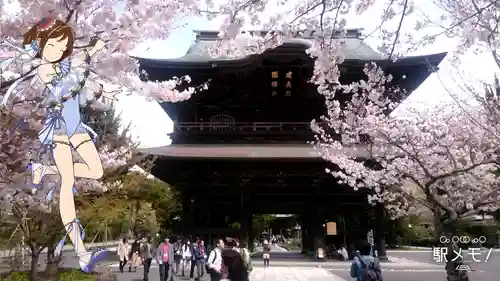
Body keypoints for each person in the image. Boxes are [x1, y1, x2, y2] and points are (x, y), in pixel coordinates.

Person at [0, 16, 120, 273]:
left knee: (97, 171)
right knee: (67, 184)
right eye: (52, 45)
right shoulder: (43, 70)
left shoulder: (66, 66)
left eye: (62, 46)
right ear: (40, 45)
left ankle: (45, 171)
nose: (57, 51)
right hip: (58, 130)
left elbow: (81, 83)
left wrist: (102, 91)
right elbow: (67, 86)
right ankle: (81, 251)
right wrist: (88, 54)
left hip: (76, 126)